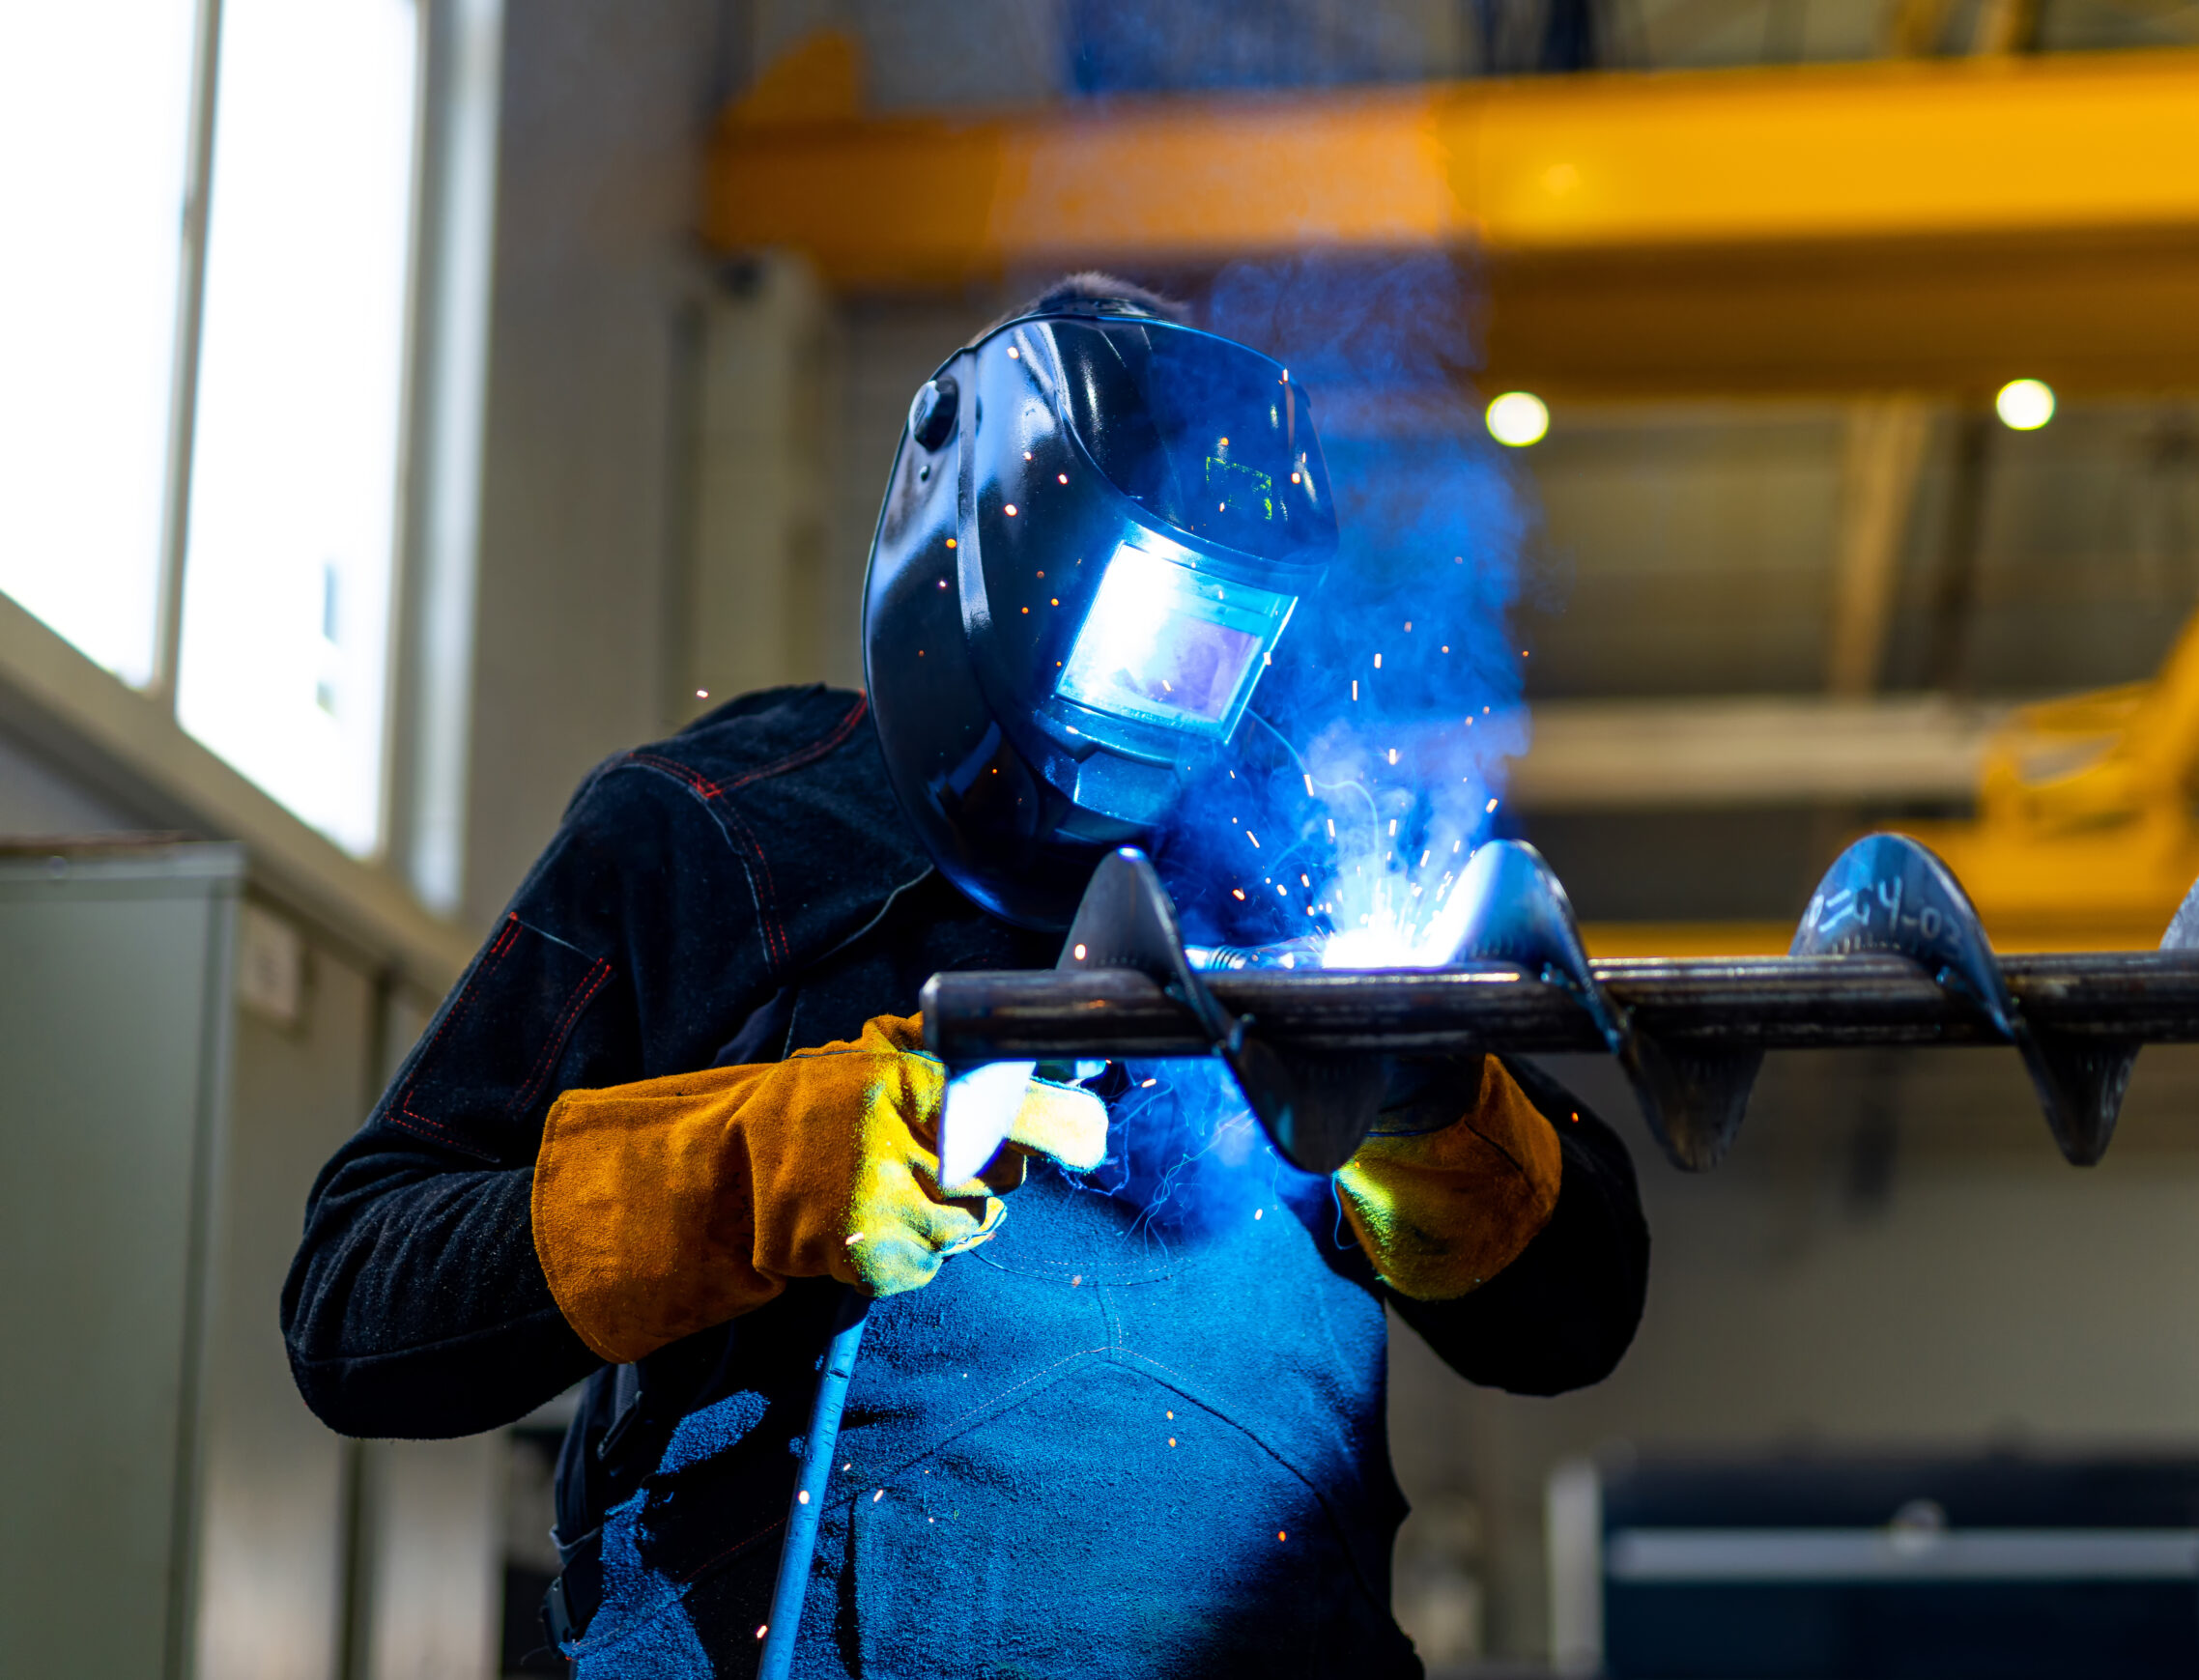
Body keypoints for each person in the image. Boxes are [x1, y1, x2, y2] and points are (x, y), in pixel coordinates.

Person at [282, 277, 1649, 1678]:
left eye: (1219, 640)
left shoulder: (1287, 876)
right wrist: (756, 1170)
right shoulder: (726, 829)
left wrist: (1425, 1115)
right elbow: (353, 1304)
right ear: (992, 539)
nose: (1179, 684)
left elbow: (1574, 1317)